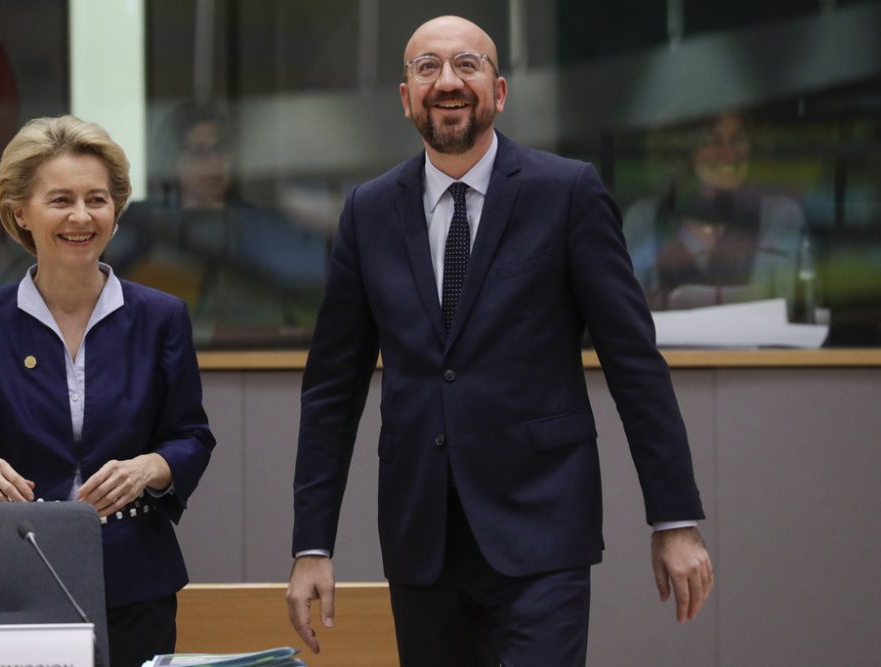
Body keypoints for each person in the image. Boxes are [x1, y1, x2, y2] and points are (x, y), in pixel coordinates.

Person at [286, 15, 713, 666]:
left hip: (543, 528)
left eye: (468, 65)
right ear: (405, 98)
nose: (447, 82)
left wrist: (674, 519)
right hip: (420, 540)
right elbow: (330, 391)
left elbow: (634, 363)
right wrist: (311, 543)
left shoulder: (566, 193)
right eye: (426, 67)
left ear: (500, 90)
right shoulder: (368, 212)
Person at [0, 115, 216, 667]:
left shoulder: (161, 317)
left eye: (96, 199)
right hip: (13, 575)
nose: (81, 216)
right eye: (60, 200)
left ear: (116, 210)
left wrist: (150, 467)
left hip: (135, 580)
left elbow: (191, 436)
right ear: (20, 212)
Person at [107, 103, 329, 346]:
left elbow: (309, 278)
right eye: (199, 153)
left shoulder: (258, 223)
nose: (213, 163)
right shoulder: (143, 223)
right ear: (173, 161)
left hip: (254, 352)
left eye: (220, 150)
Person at [623, 110, 806, 312]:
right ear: (685, 151)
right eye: (713, 141)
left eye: (739, 140)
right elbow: (626, 314)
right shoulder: (645, 219)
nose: (730, 154)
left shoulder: (780, 216)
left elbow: (785, 305)